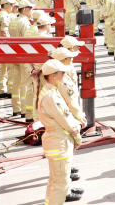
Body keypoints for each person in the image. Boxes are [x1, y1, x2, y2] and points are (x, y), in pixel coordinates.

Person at [37, 59, 84, 204]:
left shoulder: (50, 91)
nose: (64, 74)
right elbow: (65, 120)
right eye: (61, 73)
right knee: (60, 186)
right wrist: (77, 136)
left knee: (55, 180)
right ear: (53, 76)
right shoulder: (52, 96)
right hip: (59, 143)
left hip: (55, 142)